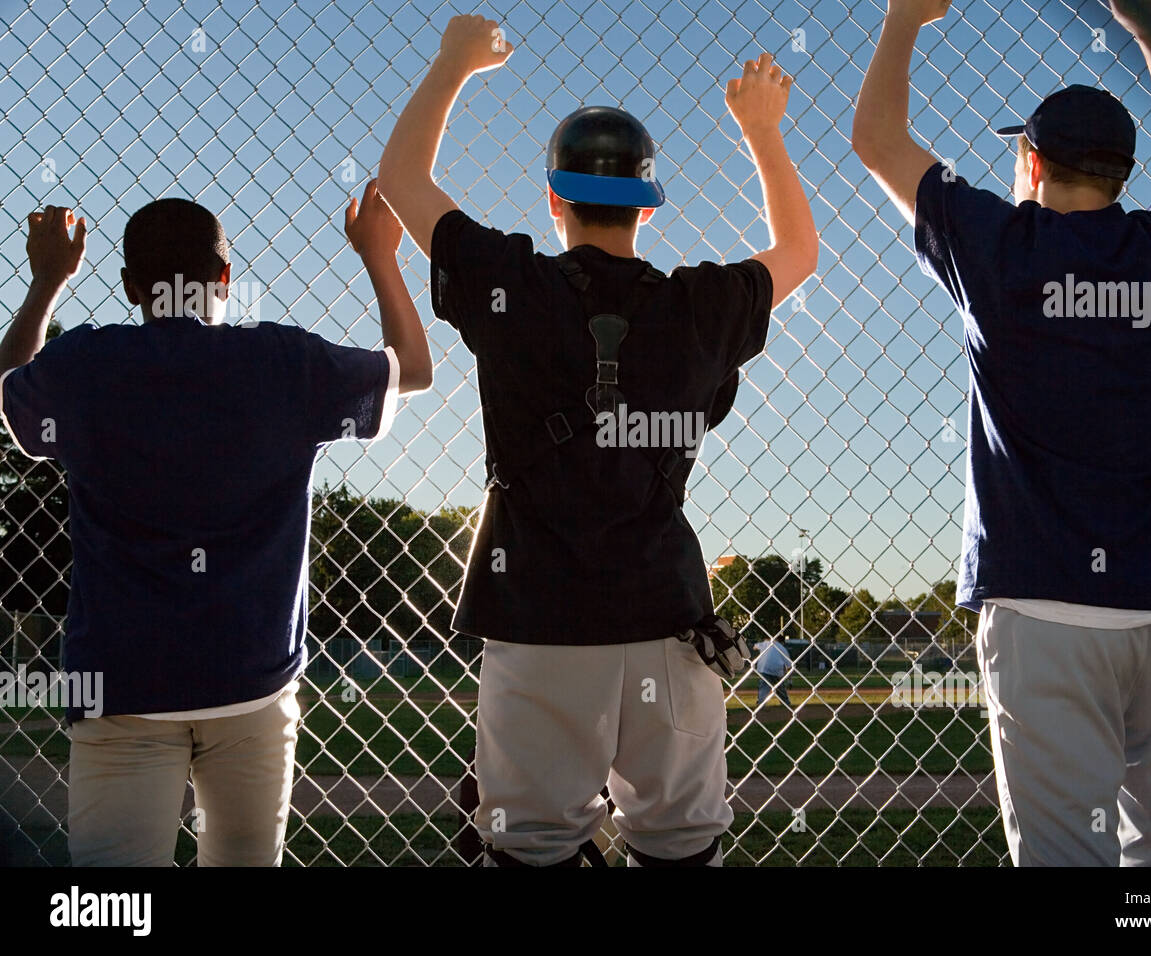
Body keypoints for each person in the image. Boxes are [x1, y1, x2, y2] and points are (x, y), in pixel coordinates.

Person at [379, 14, 817, 866]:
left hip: (540, 622)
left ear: (553, 198)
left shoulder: (511, 285)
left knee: (530, 845)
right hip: (667, 620)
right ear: (648, 204)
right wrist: (762, 130)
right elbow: (799, 250)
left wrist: (454, 65)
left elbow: (400, 178)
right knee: (680, 845)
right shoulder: (699, 306)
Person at [851, 0, 1151, 865]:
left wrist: (906, 18)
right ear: (1123, 174)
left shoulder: (1000, 245)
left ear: (1030, 159)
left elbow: (876, 139)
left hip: (1042, 604)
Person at [0, 183, 432, 865]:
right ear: (225, 279)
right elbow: (415, 369)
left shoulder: (85, 365)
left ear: (131, 287)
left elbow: (9, 388)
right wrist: (381, 257)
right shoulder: (285, 362)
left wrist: (48, 281)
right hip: (250, 682)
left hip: (122, 683)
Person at [753, 636, 793, 707]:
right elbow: (789, 666)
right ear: (782, 642)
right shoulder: (782, 648)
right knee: (780, 688)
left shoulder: (766, 643)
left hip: (764, 669)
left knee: (764, 687)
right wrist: (790, 681)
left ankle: (761, 703)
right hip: (776, 670)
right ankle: (786, 703)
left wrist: (765, 642)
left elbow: (755, 646)